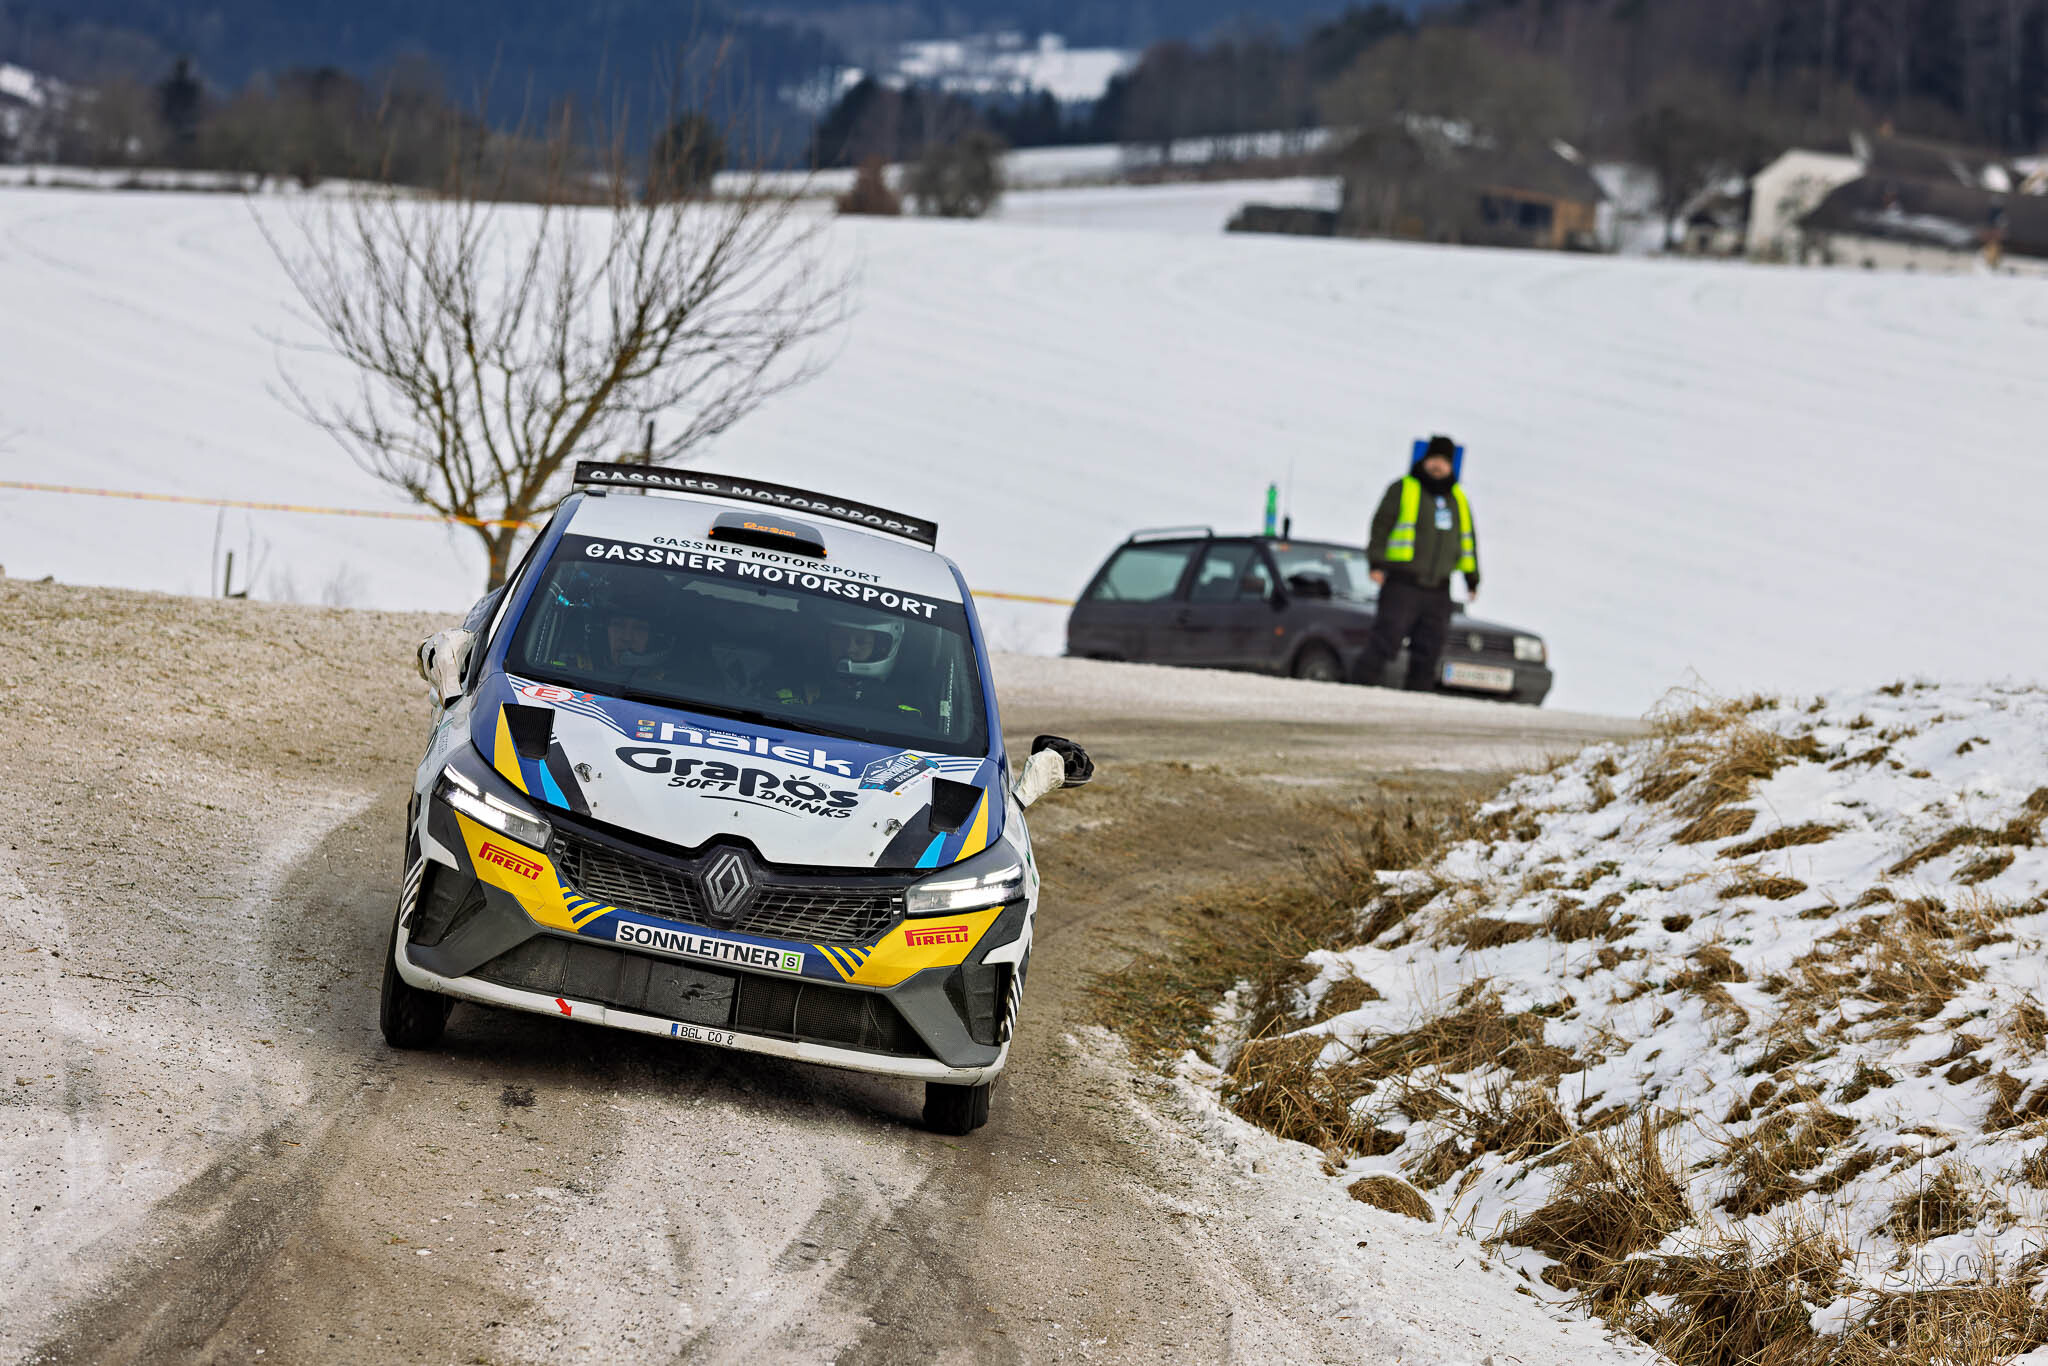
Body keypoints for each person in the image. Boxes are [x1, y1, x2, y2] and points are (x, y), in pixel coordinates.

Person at [1352, 434, 1480, 691]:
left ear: (1451, 465)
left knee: (1429, 651)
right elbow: (1381, 526)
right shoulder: (1404, 488)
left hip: (1439, 590)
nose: (1438, 465)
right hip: (1403, 584)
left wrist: (1472, 578)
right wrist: (1376, 563)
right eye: (1434, 459)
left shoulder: (1458, 499)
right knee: (1384, 642)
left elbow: (1468, 541)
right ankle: (1356, 692)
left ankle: (1415, 703)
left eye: (1443, 461)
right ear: (1425, 460)